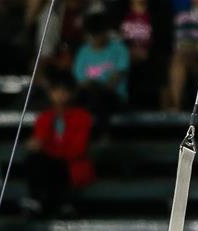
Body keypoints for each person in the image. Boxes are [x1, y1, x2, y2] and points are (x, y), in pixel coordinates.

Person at [25, 70, 94, 216]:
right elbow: (40, 140)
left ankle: (58, 204)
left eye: (64, 91)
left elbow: (78, 149)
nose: (60, 95)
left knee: (52, 164)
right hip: (51, 164)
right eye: (56, 91)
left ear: (72, 93)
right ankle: (37, 201)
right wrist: (36, 145)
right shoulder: (44, 118)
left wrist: (48, 148)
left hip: (71, 165)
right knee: (34, 159)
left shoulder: (82, 117)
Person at [72, 11, 130, 121]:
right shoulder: (83, 52)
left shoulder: (120, 49)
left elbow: (116, 79)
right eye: (93, 35)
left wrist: (98, 87)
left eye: (98, 34)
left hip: (113, 97)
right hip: (89, 95)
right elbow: (80, 82)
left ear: (106, 32)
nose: (96, 38)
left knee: (101, 98)